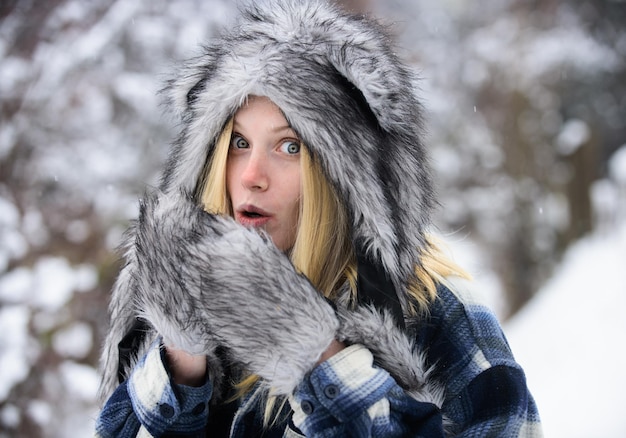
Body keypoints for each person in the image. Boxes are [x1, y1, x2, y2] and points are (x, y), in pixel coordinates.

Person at [95, 0, 543, 436]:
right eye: (238, 142)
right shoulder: (182, 304)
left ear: (343, 175)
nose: (252, 176)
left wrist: (319, 358)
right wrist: (182, 366)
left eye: (290, 146)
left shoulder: (441, 315)